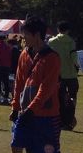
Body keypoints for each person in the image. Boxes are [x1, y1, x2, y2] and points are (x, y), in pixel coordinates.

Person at [10, 16, 61, 153]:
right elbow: (19, 82)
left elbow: (46, 89)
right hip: (24, 113)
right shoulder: (24, 54)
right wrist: (15, 107)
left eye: (26, 34)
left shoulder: (52, 58)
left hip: (46, 116)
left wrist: (31, 110)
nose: (23, 38)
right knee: (16, 145)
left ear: (37, 34)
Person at [48, 21, 79, 131]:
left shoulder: (51, 41)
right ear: (68, 30)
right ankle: (69, 120)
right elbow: (74, 57)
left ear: (58, 29)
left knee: (58, 98)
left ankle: (59, 120)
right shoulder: (71, 41)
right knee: (72, 97)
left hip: (57, 75)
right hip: (70, 74)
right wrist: (77, 66)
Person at [0, 35, 12, 104]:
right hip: (7, 66)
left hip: (0, 66)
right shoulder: (7, 46)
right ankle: (6, 98)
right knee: (6, 82)